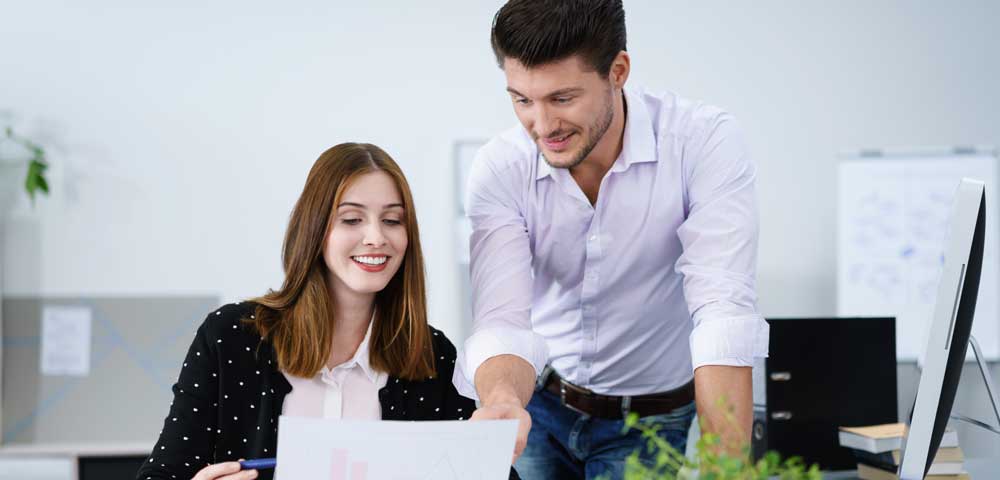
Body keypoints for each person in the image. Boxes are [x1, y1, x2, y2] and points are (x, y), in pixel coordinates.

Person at [455, 1, 770, 478]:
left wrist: (726, 467)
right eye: (521, 99)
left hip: (650, 420)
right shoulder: (501, 167)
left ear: (617, 71)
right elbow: (503, 317)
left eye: (561, 98)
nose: (541, 126)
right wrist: (502, 401)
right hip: (539, 406)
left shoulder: (702, 143)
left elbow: (722, 313)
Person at [137, 143, 517, 480]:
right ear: (315, 229)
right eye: (351, 219)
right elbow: (163, 473)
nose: (376, 237)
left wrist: (487, 447)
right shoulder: (231, 337)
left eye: (392, 220)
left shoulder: (430, 354)